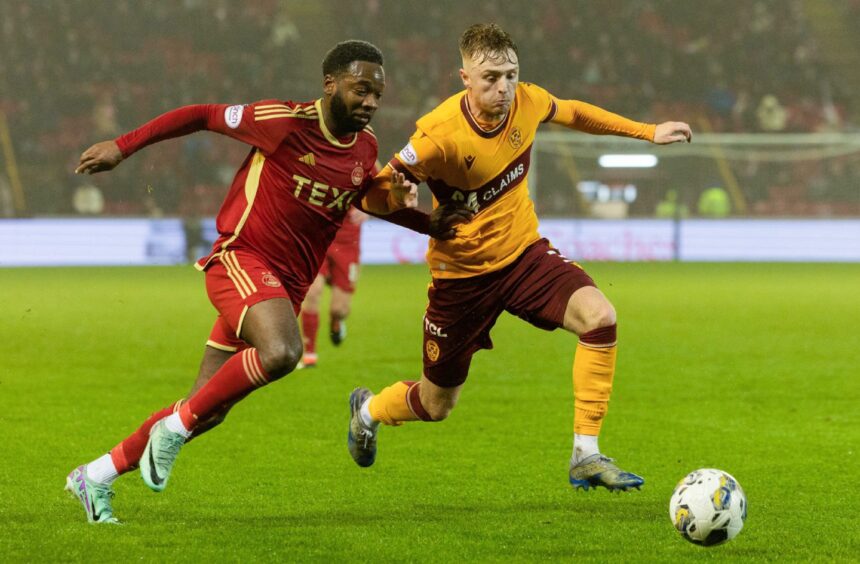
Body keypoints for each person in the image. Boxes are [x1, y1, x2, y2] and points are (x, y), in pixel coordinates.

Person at [65, 40, 449, 524]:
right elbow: (201, 113)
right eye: (360, 90)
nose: (371, 102)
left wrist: (426, 220)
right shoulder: (282, 121)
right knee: (283, 351)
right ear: (330, 84)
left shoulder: (366, 147)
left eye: (377, 93)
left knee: (210, 407)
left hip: (277, 289)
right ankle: (175, 429)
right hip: (240, 260)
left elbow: (366, 200)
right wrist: (123, 147)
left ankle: (94, 475)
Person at [347, 24, 692, 492]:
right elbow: (369, 197)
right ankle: (368, 412)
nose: (504, 87)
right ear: (464, 77)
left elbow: (575, 113)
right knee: (435, 405)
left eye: (510, 74)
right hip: (462, 278)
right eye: (490, 77)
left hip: (524, 256)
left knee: (600, 316)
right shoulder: (437, 136)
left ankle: (585, 454)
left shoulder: (527, 102)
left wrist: (647, 132)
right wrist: (409, 207)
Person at [299, 205, 367, 368]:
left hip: (348, 244)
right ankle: (309, 355)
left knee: (339, 309)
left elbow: (378, 189)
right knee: (312, 292)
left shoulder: (359, 178)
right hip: (319, 238)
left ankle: (336, 320)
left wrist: (368, 209)